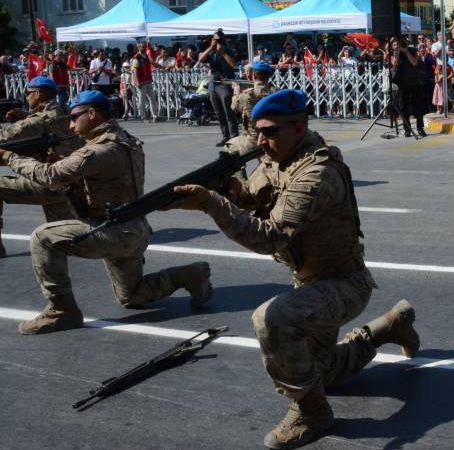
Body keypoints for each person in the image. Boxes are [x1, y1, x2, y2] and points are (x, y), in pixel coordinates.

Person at [166, 89, 419, 449]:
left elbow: (268, 237)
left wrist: (211, 204)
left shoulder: (317, 174)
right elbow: (253, 197)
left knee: (272, 319)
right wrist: (227, 190)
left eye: (269, 132)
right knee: (323, 372)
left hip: (343, 284)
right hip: (310, 282)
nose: (260, 141)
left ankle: (311, 413)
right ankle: (388, 327)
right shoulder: (278, 157)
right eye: (258, 132)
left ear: (299, 128)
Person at [9, 90, 212, 335]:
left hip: (112, 231)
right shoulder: (124, 140)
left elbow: (51, 176)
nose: (71, 125)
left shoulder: (99, 150)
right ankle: (188, 275)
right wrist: (57, 159)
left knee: (43, 238)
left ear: (92, 114)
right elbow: (100, 177)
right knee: (131, 296)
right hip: (134, 229)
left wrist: (11, 158)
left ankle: (61, 310)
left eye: (75, 117)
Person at [0, 77, 82, 257]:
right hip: (75, 183)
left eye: (28, 93)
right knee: (63, 237)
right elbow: (48, 122)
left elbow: (4, 138)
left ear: (39, 93)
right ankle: (67, 236)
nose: (27, 97)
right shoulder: (69, 113)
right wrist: (25, 116)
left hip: (51, 183)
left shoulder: (35, 122)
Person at [226, 61, 277, 158]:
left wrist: (236, 90)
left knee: (229, 146)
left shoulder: (246, 94)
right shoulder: (276, 92)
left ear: (253, 75)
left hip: (255, 139)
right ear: (269, 76)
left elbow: (234, 107)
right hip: (274, 137)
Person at [198, 30, 240, 146]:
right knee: (219, 112)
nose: (216, 42)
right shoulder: (211, 51)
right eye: (214, 39)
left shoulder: (228, 49)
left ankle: (234, 136)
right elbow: (200, 60)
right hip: (213, 84)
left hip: (225, 83)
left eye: (217, 40)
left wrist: (224, 53)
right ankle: (225, 136)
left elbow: (233, 65)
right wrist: (211, 47)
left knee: (228, 112)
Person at [391, 38, 426, 138]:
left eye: (403, 42)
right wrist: (397, 50)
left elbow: (414, 62)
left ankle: (420, 128)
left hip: (415, 82)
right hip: (402, 83)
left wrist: (406, 51)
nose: (401, 44)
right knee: (404, 107)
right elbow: (395, 63)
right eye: (399, 43)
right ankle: (407, 129)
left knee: (418, 107)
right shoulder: (395, 52)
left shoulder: (412, 50)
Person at [130, 41, 161, 122]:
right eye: (142, 47)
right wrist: (137, 81)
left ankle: (155, 115)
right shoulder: (136, 58)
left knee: (152, 99)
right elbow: (135, 71)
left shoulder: (146, 56)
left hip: (148, 81)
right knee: (141, 100)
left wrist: (163, 67)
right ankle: (142, 117)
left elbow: (153, 63)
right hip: (141, 82)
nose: (144, 48)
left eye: (145, 46)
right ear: (139, 47)